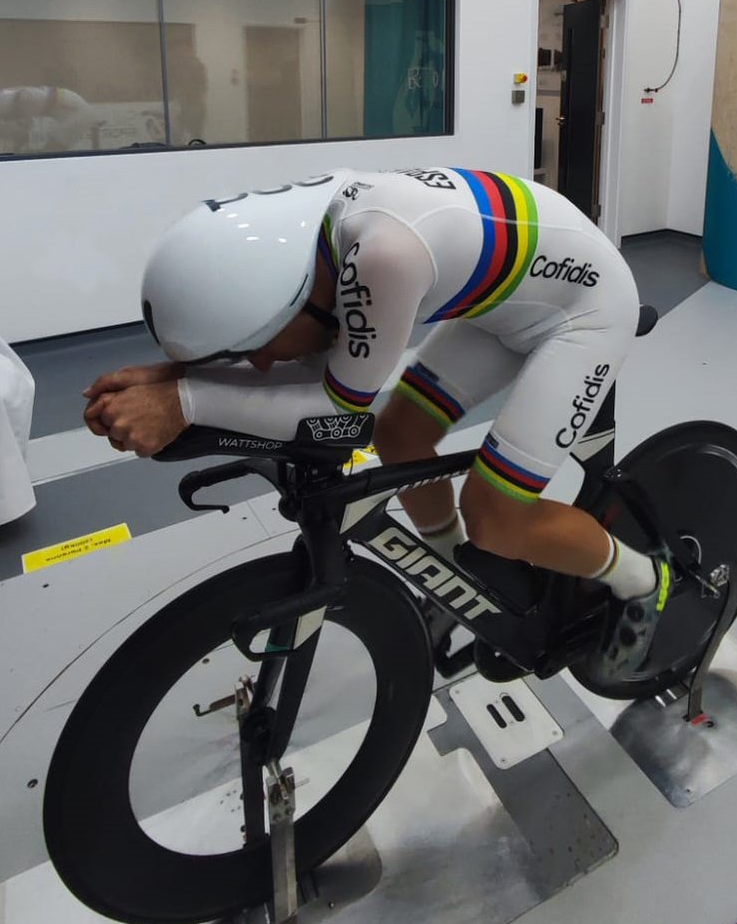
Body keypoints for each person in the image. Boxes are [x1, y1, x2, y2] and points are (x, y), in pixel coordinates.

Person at [83, 167, 672, 644]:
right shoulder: (302, 243)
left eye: (252, 349)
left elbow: (336, 413)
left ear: (285, 305)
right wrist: (172, 375)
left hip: (584, 312)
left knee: (497, 518)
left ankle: (645, 579)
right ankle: (453, 577)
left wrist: (185, 400)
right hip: (509, 302)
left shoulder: (382, 258)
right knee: (400, 436)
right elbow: (308, 361)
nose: (257, 364)